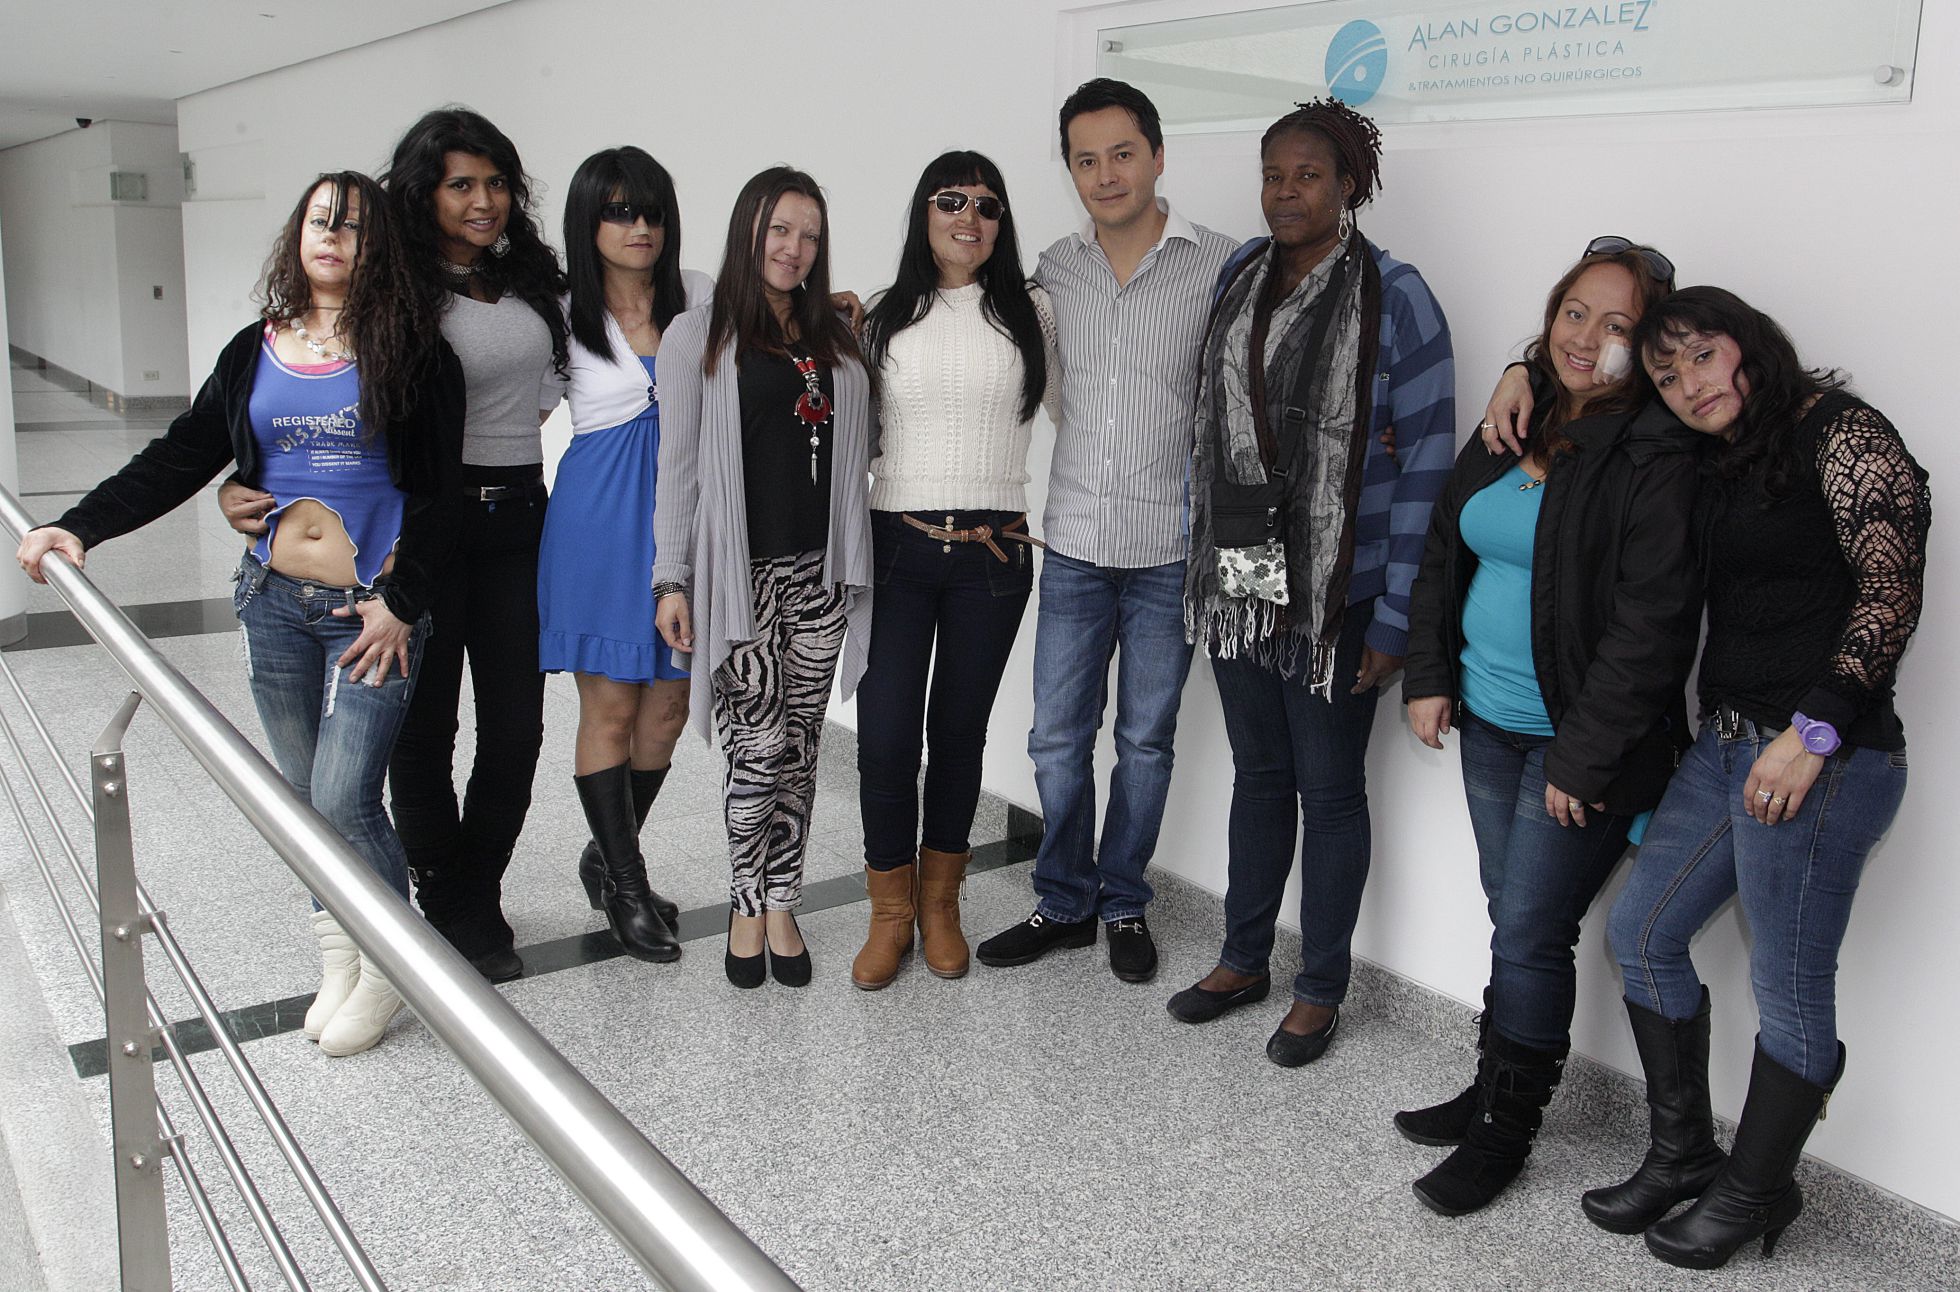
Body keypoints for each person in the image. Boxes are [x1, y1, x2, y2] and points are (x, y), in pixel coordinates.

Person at [18, 172, 464, 1057]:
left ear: (381, 247)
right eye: (319, 220)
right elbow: (182, 454)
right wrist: (81, 526)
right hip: (272, 603)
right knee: (302, 799)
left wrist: (401, 605)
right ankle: (340, 954)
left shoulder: (414, 353)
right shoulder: (253, 350)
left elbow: (443, 500)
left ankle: (391, 967)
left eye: (354, 225)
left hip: (371, 614)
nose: (333, 237)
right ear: (297, 235)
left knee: (345, 794)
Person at [1588, 287, 1927, 1269]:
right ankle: (1681, 1153)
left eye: (1699, 356)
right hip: (1726, 745)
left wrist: (1813, 729)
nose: (1685, 384)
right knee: (1640, 932)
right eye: (1664, 372)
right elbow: (1601, 412)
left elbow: (1889, 585)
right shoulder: (1717, 456)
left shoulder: (1842, 430)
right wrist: (1521, 376)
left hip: (1824, 756)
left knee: (1788, 991)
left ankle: (1754, 1188)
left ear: (1748, 344)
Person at [1394, 240, 1698, 1216]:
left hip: (1580, 745)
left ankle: (1504, 1132)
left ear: (1647, 345)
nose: (1587, 338)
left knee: (1529, 929)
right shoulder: (1512, 415)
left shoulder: (1653, 453)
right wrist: (1429, 672)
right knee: (1512, 913)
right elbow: (1447, 543)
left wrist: (1584, 755)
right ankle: (1495, 1080)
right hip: (1487, 721)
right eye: (1575, 312)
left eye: (1617, 326)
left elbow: (1652, 628)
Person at [1164, 99, 1455, 1066]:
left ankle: (1321, 986)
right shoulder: (1240, 275)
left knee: (1330, 791)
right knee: (1261, 774)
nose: (1287, 192)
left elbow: (1425, 465)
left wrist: (1404, 621)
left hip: (1343, 582)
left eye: (1309, 176)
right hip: (1244, 564)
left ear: (1349, 187)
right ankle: (1244, 957)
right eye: (1274, 175)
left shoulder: (1396, 294)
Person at [975, 78, 1237, 984]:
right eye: (1085, 160)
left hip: (1171, 549)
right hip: (1078, 541)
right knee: (1056, 738)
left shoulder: (1221, 265)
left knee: (1146, 743)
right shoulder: (1054, 271)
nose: (1105, 174)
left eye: (1122, 153)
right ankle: (1064, 899)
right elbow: (971, 314)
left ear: (1158, 155)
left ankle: (1123, 899)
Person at [340, 108, 568, 982]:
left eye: (497, 183)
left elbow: (546, 395)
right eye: (461, 185)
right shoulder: (392, 288)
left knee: (516, 730)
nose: (484, 202)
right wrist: (248, 480)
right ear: (423, 192)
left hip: (519, 517)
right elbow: (327, 397)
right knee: (424, 731)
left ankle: (475, 883)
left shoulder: (530, 284)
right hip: (426, 527)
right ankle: (450, 891)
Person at [653, 166, 873, 990]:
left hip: (822, 573)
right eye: (780, 229)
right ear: (750, 231)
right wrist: (669, 580)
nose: (795, 247)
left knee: (803, 748)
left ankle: (786, 899)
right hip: (740, 578)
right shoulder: (697, 336)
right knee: (758, 745)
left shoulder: (836, 336)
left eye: (809, 233)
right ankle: (748, 902)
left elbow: (864, 440)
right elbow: (677, 469)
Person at [849, 151, 1058, 990]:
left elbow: (1093, 407)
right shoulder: (879, 315)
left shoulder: (1033, 312)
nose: (968, 217)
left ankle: (941, 905)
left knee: (958, 736)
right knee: (887, 739)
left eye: (988, 205)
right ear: (923, 212)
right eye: (950, 200)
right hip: (894, 547)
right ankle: (888, 914)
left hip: (993, 557)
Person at [540, 147, 713, 964]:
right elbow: (498, 409)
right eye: (619, 212)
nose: (640, 226)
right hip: (596, 525)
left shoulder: (701, 298)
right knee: (610, 708)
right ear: (589, 222)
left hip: (684, 525)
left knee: (670, 709)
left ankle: (607, 858)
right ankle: (630, 885)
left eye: (651, 211)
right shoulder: (561, 314)